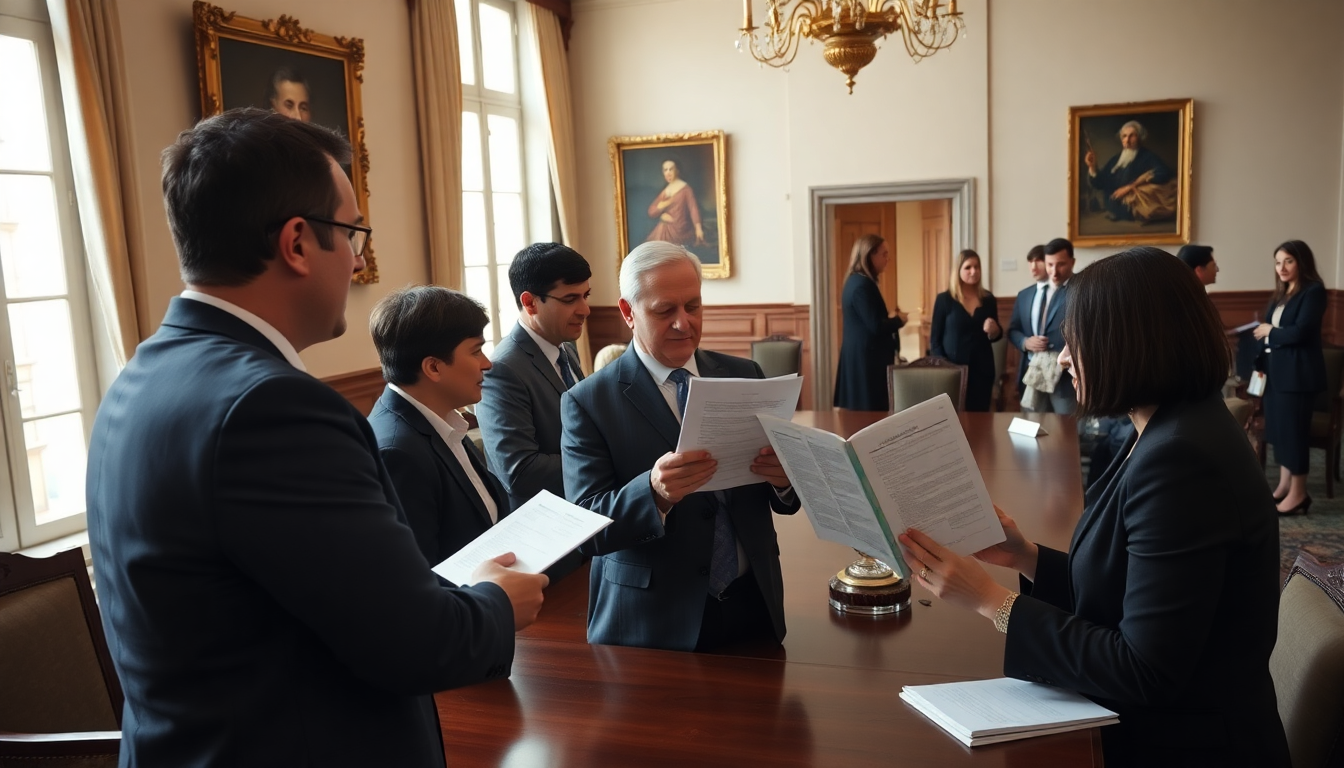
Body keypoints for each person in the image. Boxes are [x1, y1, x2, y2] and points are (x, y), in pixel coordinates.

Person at [85, 108, 546, 767]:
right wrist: (496, 604)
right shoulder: (274, 407)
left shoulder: (145, 372)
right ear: (298, 243)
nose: (359, 258)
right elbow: (410, 643)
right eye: (353, 232)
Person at [898, 247, 1290, 768]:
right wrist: (1025, 556)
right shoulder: (1165, 426)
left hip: (1187, 743)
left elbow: (1144, 669)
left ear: (1127, 344)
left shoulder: (1181, 459)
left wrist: (990, 600)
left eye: (1074, 343)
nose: (1061, 358)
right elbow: (1132, 588)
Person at [561, 240, 801, 652]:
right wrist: (653, 493)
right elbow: (587, 530)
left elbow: (784, 499)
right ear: (627, 313)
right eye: (664, 310)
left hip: (753, 603)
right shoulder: (588, 402)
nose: (683, 323)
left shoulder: (746, 374)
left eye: (693, 306)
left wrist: (785, 479)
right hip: (653, 619)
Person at [368, 286, 509, 565]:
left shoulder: (443, 420)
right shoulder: (398, 452)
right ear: (433, 367)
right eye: (476, 351)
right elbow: (419, 576)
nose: (487, 363)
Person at [477, 242, 592, 512]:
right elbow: (520, 472)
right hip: (542, 529)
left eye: (586, 295)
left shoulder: (566, 349)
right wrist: (602, 456)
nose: (585, 309)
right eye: (570, 299)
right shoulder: (501, 369)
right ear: (529, 302)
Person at [1254, 239, 1326, 515]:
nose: (1281, 267)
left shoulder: (1313, 292)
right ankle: (1285, 485)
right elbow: (1271, 332)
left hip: (1299, 375)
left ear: (1301, 262)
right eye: (1277, 262)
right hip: (1277, 373)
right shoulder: (1282, 293)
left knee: (1294, 433)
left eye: (1288, 261)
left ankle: (1298, 493)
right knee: (1281, 432)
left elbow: (1300, 332)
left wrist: (1269, 331)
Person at [834, 234, 907, 410]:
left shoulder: (858, 281)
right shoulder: (861, 285)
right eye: (884, 254)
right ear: (870, 255)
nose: (888, 259)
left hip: (864, 357)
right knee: (868, 417)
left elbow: (869, 319)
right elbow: (876, 326)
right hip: (867, 362)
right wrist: (899, 320)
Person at [1007, 237, 1075, 414]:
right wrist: (1025, 342)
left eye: (1060, 265)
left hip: (1065, 378)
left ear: (1072, 262)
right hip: (1032, 371)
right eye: (1050, 265)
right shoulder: (1026, 295)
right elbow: (1013, 329)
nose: (1054, 271)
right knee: (1030, 428)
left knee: (1066, 433)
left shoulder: (1081, 291)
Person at [929, 249, 1002, 411]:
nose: (973, 271)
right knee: (953, 416)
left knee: (981, 418)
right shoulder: (944, 299)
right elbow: (935, 340)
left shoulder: (988, 299)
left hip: (982, 369)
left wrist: (995, 329)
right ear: (958, 270)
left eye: (977, 267)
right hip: (952, 370)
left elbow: (996, 335)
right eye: (968, 267)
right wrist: (945, 367)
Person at [1084, 120, 1176, 223]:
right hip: (1113, 206)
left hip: (1135, 207)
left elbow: (1164, 172)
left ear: (1140, 137)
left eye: (1132, 136)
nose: (1127, 140)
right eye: (1124, 136)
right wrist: (1092, 167)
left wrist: (1131, 187)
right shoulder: (1115, 160)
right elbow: (1100, 183)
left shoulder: (1147, 156)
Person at [645, 159, 706, 247]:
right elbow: (651, 211)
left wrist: (698, 228)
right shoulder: (665, 191)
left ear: (677, 171)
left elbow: (693, 209)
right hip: (665, 228)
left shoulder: (685, 189)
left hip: (681, 229)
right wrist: (661, 211)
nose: (668, 173)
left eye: (671, 169)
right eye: (665, 170)